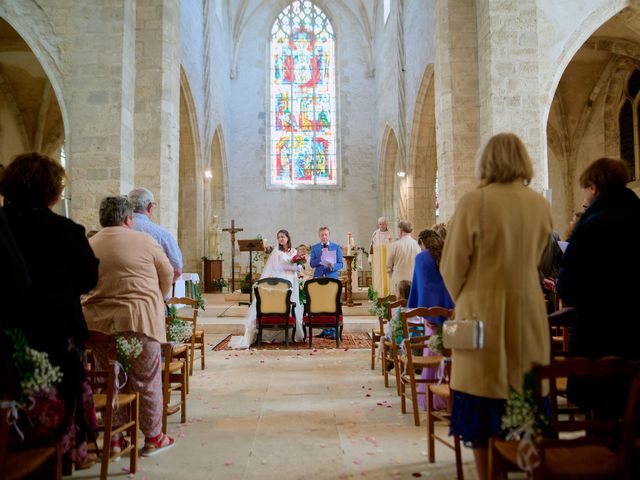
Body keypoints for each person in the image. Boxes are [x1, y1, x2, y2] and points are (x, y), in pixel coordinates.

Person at [440, 133, 552, 480]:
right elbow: (540, 258)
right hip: (529, 312)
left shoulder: (475, 202)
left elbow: (451, 267)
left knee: (481, 405)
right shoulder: (539, 203)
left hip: (480, 316)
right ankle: (526, 469)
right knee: (523, 398)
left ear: (486, 161)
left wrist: (471, 299)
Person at [0, 152, 100, 468]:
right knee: (58, 397)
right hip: (57, 331)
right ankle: (62, 459)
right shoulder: (65, 230)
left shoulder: (5, 225)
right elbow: (88, 278)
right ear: (51, 191)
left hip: (10, 332)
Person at [82, 196, 175, 456]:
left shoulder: (90, 243)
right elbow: (166, 272)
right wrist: (157, 298)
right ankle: (153, 437)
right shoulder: (143, 239)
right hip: (139, 320)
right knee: (146, 380)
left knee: (110, 380)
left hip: (99, 324)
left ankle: (115, 438)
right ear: (127, 218)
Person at [556, 157, 640, 419]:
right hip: (636, 331)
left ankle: (607, 456)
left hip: (600, 333)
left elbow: (568, 286)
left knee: (604, 411)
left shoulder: (593, 225)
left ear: (593, 187)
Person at [229, 229, 305, 349]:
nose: (281, 239)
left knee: (292, 303)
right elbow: (276, 266)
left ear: (288, 238)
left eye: (283, 237)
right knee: (280, 303)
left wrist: (299, 267)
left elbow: (299, 264)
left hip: (292, 280)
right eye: (279, 237)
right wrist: (290, 267)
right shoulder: (276, 252)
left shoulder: (295, 251)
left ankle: (290, 333)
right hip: (281, 280)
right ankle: (274, 332)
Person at [408, 229, 455, 411]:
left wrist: (426, 313)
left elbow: (423, 287)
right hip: (451, 311)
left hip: (433, 316)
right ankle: (451, 393)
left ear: (422, 242)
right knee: (451, 354)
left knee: (433, 353)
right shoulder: (448, 254)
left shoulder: (421, 258)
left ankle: (433, 397)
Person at [128, 187, 183, 282]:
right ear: (150, 207)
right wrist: (160, 290)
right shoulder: (162, 234)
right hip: (153, 293)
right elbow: (177, 270)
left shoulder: (117, 231)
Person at [386, 220, 420, 297]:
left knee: (397, 307)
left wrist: (392, 278)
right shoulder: (417, 244)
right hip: (414, 281)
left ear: (400, 230)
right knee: (413, 306)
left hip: (398, 283)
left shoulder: (394, 245)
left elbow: (388, 266)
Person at [368, 217, 394, 296]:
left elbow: (393, 245)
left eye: (383, 224)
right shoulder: (375, 233)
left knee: (388, 276)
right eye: (380, 224)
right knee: (378, 277)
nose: (381, 226)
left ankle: (388, 295)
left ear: (386, 224)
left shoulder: (390, 233)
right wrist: (370, 258)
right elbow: (371, 246)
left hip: (387, 259)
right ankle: (378, 295)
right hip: (378, 260)